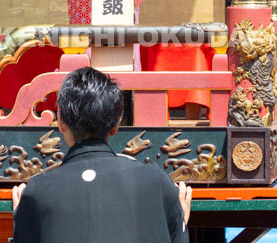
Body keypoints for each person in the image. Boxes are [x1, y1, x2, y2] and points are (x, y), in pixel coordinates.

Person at [11, 67, 192, 243]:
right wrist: (179, 222)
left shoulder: (36, 192)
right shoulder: (156, 182)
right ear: (115, 124)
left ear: (60, 122)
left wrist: (23, 219)